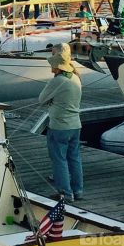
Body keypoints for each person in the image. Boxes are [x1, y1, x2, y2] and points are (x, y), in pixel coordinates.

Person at [38, 43, 83, 200]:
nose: (51, 69)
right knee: (74, 158)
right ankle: (78, 190)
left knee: (59, 159)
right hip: (75, 125)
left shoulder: (58, 81)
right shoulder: (76, 77)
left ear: (57, 66)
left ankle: (65, 193)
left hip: (59, 126)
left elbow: (41, 99)